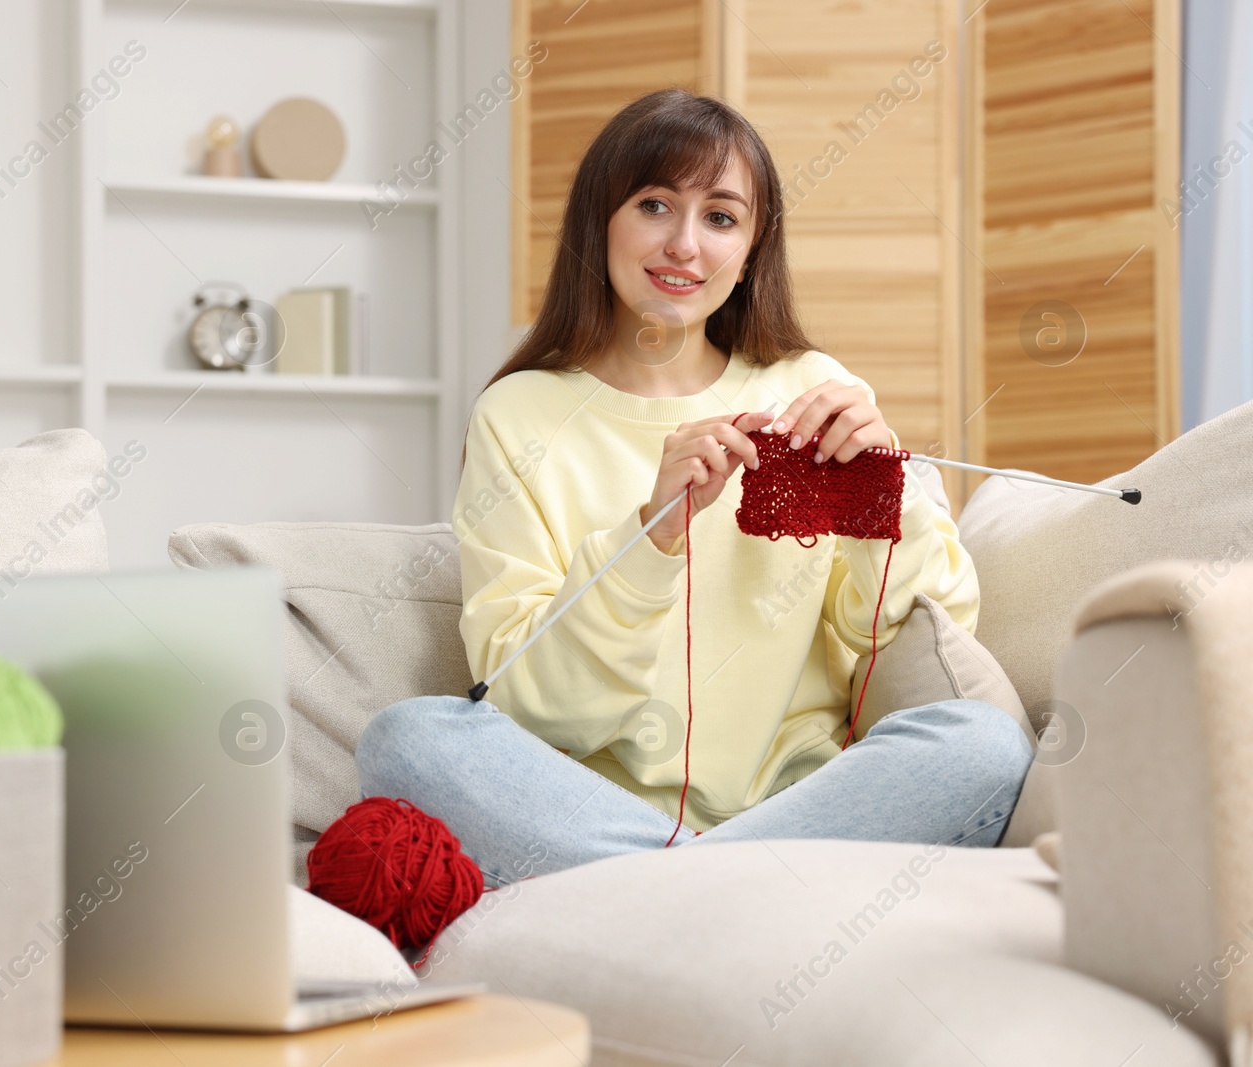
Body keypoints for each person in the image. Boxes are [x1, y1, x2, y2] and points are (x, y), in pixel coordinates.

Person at [355, 88, 1032, 890]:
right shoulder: (519, 414)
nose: (684, 244)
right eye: (654, 205)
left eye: (721, 217)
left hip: (802, 802)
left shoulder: (813, 386)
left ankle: (659, 889)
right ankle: (724, 887)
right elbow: (524, 702)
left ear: (751, 249)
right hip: (597, 809)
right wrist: (652, 535)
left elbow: (920, 637)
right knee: (408, 738)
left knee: (984, 745)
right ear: (599, 220)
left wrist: (882, 496)